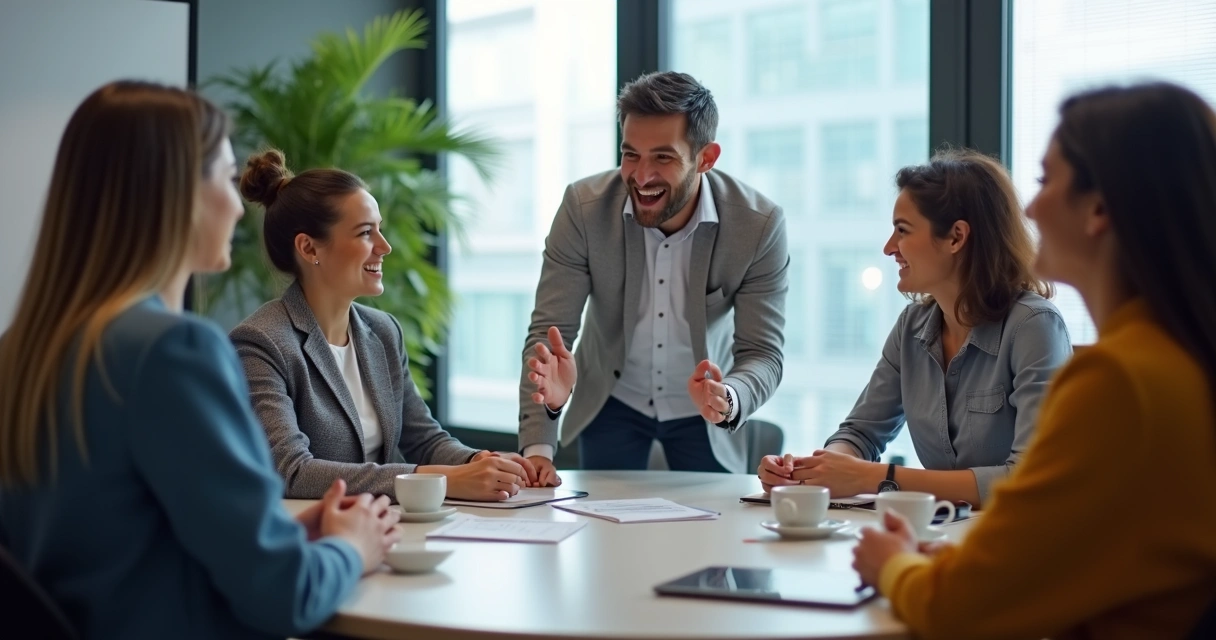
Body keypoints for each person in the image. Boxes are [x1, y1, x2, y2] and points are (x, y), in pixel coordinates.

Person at [0, 81, 399, 639]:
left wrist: (293, 531)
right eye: (223, 176)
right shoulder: (173, 351)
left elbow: (118, 541)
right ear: (172, 193)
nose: (239, 205)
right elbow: (283, 595)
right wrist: (352, 547)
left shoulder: (21, 348)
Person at [852, 82, 1216, 639]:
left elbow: (956, 609)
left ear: (1098, 209)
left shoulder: (1118, 378)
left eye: (1046, 181)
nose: (1029, 206)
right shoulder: (1173, 356)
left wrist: (894, 564)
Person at [758, 150, 1072, 507]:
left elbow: (1032, 478)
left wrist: (879, 478)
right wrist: (811, 471)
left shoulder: (1034, 326)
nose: (889, 248)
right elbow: (860, 433)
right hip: (943, 537)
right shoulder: (912, 327)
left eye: (902, 231)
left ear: (956, 237)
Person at [519, 71, 789, 476]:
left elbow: (763, 353)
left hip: (704, 412)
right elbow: (548, 336)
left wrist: (729, 397)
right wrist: (537, 450)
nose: (641, 177)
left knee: (710, 536)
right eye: (631, 155)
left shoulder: (758, 226)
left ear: (706, 158)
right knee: (602, 530)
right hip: (611, 403)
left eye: (662, 157)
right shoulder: (583, 209)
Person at [230, 150, 536, 501]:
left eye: (380, 230)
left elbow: (423, 439)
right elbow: (292, 472)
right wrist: (440, 480)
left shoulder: (383, 332)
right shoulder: (261, 343)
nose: (385, 246)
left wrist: (481, 461)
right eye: (365, 233)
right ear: (309, 246)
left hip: (385, 528)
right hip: (312, 539)